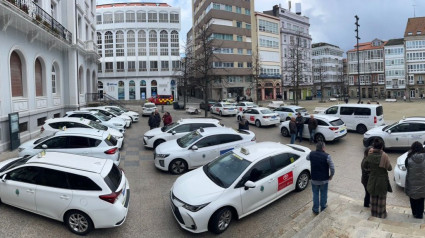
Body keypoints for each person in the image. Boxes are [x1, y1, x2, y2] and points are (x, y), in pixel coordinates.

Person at [365, 139, 392, 218]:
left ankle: (373, 213)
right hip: (382, 180)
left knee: (373, 197)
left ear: (373, 147)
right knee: (381, 198)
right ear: (382, 147)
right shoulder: (385, 156)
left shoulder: (370, 156)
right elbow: (390, 168)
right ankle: (381, 214)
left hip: (372, 179)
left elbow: (364, 166)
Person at [307, 142, 335, 215]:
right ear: (323, 148)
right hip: (324, 180)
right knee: (323, 194)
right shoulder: (327, 156)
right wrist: (331, 176)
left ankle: (315, 209)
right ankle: (323, 207)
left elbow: (307, 158)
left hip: (314, 179)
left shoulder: (311, 154)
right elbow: (332, 168)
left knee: (315, 194)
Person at [404, 141, 425, 219]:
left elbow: (407, 167)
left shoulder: (409, 158)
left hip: (412, 183)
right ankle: (420, 214)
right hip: (423, 183)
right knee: (421, 199)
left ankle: (414, 213)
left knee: (413, 198)